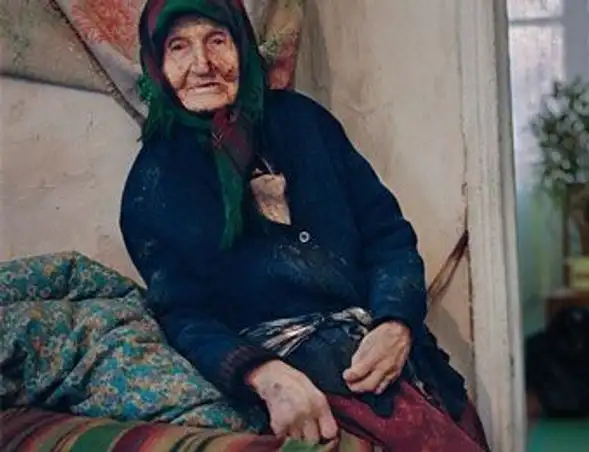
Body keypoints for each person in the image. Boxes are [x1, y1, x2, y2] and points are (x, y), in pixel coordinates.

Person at [119, 0, 489, 450]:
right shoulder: (155, 182)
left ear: (242, 46)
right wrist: (264, 374)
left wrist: (397, 323)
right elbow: (183, 315)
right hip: (286, 368)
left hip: (376, 347)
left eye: (217, 40)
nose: (202, 65)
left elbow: (388, 237)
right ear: (156, 64)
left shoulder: (304, 122)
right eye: (179, 47)